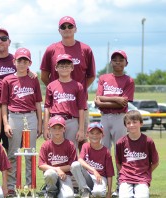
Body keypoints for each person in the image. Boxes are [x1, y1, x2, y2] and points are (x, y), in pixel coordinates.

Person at [40, 15, 96, 152]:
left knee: (81, 142)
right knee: (56, 146)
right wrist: (59, 88)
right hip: (57, 106)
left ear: (75, 29)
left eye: (70, 26)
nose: (67, 29)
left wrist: (77, 91)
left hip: (79, 106)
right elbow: (43, 75)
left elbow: (91, 76)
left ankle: (80, 172)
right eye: (63, 27)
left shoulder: (85, 49)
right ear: (59, 30)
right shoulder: (51, 49)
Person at [1, 47, 43, 195]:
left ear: (29, 63)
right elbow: (4, 104)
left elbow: (38, 103)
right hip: (14, 116)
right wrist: (5, 123)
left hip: (30, 117)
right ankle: (12, 186)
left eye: (25, 61)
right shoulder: (8, 80)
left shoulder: (33, 79)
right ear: (14, 61)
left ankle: (30, 185)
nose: (22, 63)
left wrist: (39, 123)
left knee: (29, 153)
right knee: (13, 153)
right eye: (19, 60)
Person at [94, 50, 135, 197]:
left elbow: (123, 105)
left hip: (120, 118)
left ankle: (121, 184)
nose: (117, 62)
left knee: (120, 153)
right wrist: (117, 99)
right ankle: (103, 184)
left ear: (126, 63)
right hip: (104, 117)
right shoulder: (104, 77)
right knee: (102, 152)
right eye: (115, 59)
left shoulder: (128, 80)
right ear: (111, 62)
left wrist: (107, 100)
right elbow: (97, 101)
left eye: (121, 59)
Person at [43, 54, 85, 149]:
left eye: (67, 66)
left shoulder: (78, 86)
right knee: (54, 149)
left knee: (72, 149)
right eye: (61, 66)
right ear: (56, 68)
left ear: (72, 67)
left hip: (71, 120)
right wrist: (45, 128)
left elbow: (81, 108)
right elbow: (47, 108)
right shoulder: (51, 86)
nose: (64, 68)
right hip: (55, 121)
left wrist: (81, 129)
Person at [116, 110, 159, 198]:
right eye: (128, 123)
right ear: (125, 125)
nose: (131, 125)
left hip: (142, 178)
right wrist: (124, 173)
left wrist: (147, 172)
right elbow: (118, 162)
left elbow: (155, 162)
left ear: (141, 124)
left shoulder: (148, 141)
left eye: (135, 122)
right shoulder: (120, 142)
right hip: (125, 178)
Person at [71, 122, 114, 198]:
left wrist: (109, 192)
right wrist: (94, 170)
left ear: (102, 135)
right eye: (92, 133)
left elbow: (110, 174)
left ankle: (93, 192)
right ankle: (85, 190)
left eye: (98, 133)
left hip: (100, 178)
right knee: (75, 165)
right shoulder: (85, 146)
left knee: (98, 194)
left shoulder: (106, 151)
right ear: (87, 135)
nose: (95, 135)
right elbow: (80, 160)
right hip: (87, 177)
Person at [38, 115, 77, 198]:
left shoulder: (70, 145)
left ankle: (59, 190)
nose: (57, 131)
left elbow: (71, 166)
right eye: (54, 128)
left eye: (60, 128)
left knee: (68, 196)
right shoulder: (46, 145)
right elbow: (41, 165)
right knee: (50, 173)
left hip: (65, 176)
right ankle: (51, 191)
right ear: (49, 129)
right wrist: (57, 169)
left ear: (64, 129)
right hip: (52, 176)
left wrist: (59, 169)